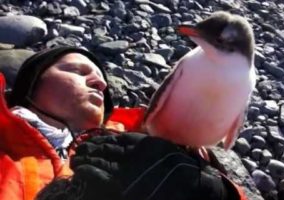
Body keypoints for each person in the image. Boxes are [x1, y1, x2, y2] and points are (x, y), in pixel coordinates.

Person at [0, 46, 247, 200]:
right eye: (78, 71)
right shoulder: (6, 147)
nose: (101, 83)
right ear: (31, 87)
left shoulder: (156, 149)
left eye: (101, 80)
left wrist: (218, 193)